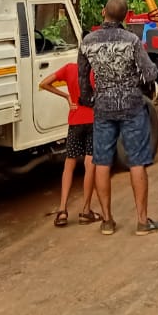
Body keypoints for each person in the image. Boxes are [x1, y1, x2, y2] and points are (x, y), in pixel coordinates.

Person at [78, 0, 158, 236]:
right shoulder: (132, 40)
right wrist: (135, 81)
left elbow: (83, 79)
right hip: (132, 106)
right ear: (125, 17)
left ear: (103, 12)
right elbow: (150, 73)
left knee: (102, 162)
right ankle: (142, 221)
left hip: (103, 106)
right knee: (137, 161)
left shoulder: (87, 42)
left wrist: (89, 100)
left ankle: (107, 220)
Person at [38, 60, 99, 228]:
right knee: (90, 164)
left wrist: (66, 96)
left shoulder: (69, 69)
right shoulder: (97, 71)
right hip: (93, 121)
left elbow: (43, 83)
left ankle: (62, 210)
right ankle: (86, 211)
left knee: (69, 164)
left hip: (75, 121)